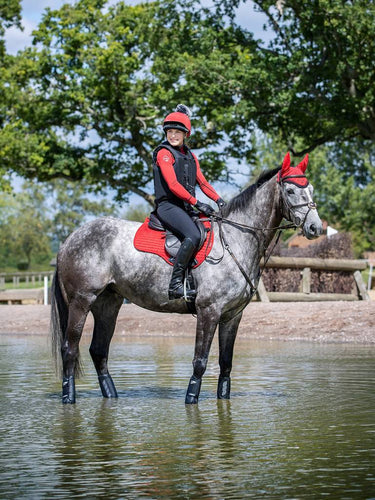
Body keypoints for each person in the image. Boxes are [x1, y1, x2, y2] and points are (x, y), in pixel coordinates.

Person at [153, 104, 226, 301]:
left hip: (185, 207)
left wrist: (219, 201)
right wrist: (197, 203)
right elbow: (173, 184)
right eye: (170, 131)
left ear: (186, 134)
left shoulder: (191, 156)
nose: (173, 135)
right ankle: (175, 284)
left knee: (209, 230)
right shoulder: (164, 153)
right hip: (168, 206)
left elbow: (202, 182)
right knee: (193, 234)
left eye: (178, 132)